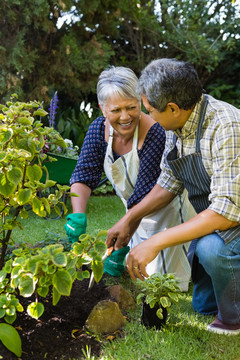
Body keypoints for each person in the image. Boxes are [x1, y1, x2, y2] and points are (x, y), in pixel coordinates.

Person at [106, 58, 240, 335]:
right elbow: (169, 181)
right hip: (219, 220)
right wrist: (130, 218)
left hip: (231, 220)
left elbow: (226, 213)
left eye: (151, 111)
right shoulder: (176, 126)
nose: (149, 118)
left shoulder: (226, 126)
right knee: (203, 307)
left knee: (211, 250)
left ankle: (234, 318)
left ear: (173, 108)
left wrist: (155, 242)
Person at [65, 65, 195, 289]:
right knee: (133, 268)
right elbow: (83, 174)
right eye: (116, 110)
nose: (125, 117)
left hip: (168, 213)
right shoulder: (98, 130)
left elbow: (145, 191)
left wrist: (124, 234)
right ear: (102, 108)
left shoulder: (155, 133)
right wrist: (78, 216)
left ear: (141, 102)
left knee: (159, 280)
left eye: (131, 107)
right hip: (134, 215)